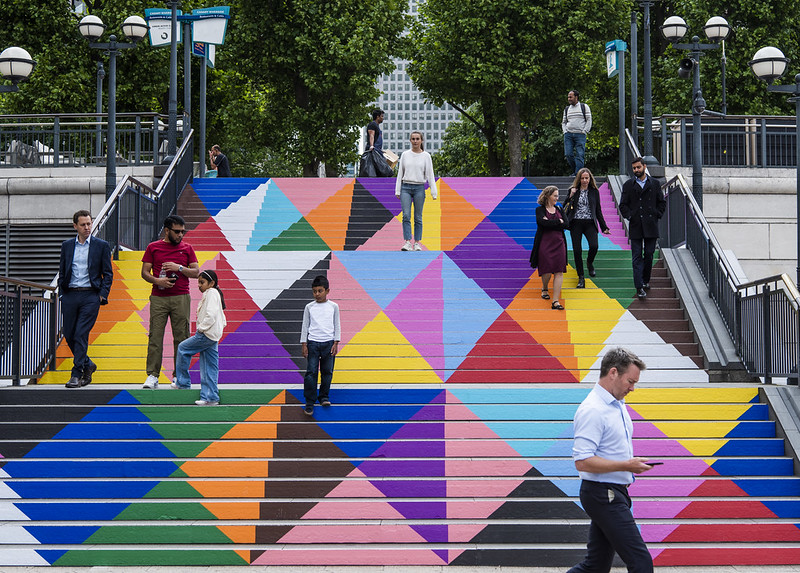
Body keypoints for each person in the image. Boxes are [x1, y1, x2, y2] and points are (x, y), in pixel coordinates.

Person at [568, 347, 655, 573]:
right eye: (630, 381)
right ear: (613, 373)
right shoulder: (593, 410)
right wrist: (627, 465)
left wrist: (629, 465)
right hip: (602, 493)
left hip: (616, 492)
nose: (633, 388)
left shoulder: (617, 404)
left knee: (594, 567)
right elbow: (583, 461)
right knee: (641, 563)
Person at [141, 214, 200, 388]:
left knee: (181, 338)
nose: (181, 235)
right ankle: (153, 375)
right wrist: (157, 281)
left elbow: (196, 272)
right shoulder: (153, 247)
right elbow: (144, 272)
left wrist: (179, 268)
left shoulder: (187, 248)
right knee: (155, 337)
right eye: (177, 232)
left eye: (183, 232)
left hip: (181, 296)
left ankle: (179, 376)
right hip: (159, 298)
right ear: (167, 231)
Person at [58, 210, 113, 388]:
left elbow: (108, 274)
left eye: (89, 223)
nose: (87, 227)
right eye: (83, 224)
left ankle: (76, 373)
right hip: (70, 294)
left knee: (81, 333)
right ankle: (88, 364)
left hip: (91, 295)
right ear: (75, 226)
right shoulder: (67, 246)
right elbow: (62, 269)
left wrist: (102, 295)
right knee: (69, 334)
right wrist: (61, 292)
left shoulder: (101, 245)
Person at [173, 269, 227, 406]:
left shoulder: (211, 293)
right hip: (212, 335)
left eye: (202, 282)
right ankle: (211, 397)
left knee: (183, 348)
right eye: (198, 282)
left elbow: (211, 314)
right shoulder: (213, 293)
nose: (199, 285)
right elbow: (221, 316)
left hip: (206, 334)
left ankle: (182, 382)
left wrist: (201, 328)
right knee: (209, 366)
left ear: (211, 283)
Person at [619, 157, 666, 300]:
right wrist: (630, 216)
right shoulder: (628, 185)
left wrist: (657, 214)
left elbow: (661, 202)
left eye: (638, 167)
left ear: (644, 166)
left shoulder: (655, 184)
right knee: (636, 256)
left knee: (649, 254)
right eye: (634, 168)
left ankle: (645, 280)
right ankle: (639, 286)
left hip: (651, 224)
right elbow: (623, 205)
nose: (636, 170)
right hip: (636, 225)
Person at [300, 275, 341, 416]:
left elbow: (337, 324)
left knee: (327, 372)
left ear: (327, 291)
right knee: (311, 373)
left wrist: (336, 342)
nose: (317, 294)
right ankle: (309, 402)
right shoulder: (309, 307)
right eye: (314, 291)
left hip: (328, 344)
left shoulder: (333, 306)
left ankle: (324, 397)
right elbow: (305, 326)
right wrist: (304, 344)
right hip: (313, 343)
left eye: (320, 291)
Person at [566, 168, 611, 289]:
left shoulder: (594, 191)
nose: (584, 180)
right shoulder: (573, 190)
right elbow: (564, 205)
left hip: (590, 223)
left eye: (586, 178)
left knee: (594, 246)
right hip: (576, 223)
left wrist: (604, 227)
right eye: (582, 178)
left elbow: (598, 210)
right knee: (577, 251)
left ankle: (589, 262)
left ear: (590, 178)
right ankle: (581, 277)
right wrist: (570, 195)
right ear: (579, 179)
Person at [394, 131, 438, 251]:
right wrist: (397, 190)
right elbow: (400, 173)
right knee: (406, 215)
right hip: (405, 187)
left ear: (421, 140)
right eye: (413, 139)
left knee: (418, 217)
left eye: (417, 139)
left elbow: (430, 174)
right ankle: (407, 241)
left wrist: (434, 192)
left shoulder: (426, 156)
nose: (415, 141)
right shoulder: (405, 155)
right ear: (410, 140)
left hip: (419, 188)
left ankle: (417, 242)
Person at [529, 186, 569, 310]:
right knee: (546, 269)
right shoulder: (539, 210)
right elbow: (542, 223)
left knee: (559, 271)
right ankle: (545, 287)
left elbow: (567, 225)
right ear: (548, 196)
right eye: (555, 196)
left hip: (559, 243)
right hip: (544, 243)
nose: (557, 198)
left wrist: (554, 223)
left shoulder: (559, 209)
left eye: (557, 196)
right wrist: (558, 222)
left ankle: (555, 301)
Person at [562, 90, 592, 176]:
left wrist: (585, 131)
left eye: (571, 97)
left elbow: (589, 119)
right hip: (569, 134)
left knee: (580, 155)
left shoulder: (584, 107)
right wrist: (565, 131)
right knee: (568, 154)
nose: (569, 99)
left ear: (576, 97)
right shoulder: (567, 109)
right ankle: (578, 172)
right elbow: (563, 122)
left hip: (580, 134)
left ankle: (577, 174)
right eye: (568, 97)